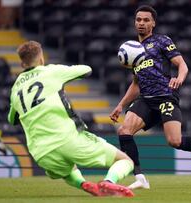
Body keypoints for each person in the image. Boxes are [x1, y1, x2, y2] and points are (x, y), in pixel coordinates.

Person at [109, 5, 191, 190]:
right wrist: (120, 105)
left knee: (174, 141)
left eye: (146, 20)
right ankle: (140, 177)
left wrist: (179, 79)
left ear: (153, 23)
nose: (141, 23)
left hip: (166, 98)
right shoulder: (134, 50)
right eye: (138, 20)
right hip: (146, 100)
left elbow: (182, 64)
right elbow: (136, 83)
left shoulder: (161, 41)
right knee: (124, 131)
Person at [7, 41, 134, 197]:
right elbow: (86, 70)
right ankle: (109, 182)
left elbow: (12, 119)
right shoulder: (51, 71)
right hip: (68, 140)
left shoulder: (15, 89)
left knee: (67, 170)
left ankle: (84, 184)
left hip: (41, 152)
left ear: (21, 63)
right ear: (41, 59)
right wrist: (61, 74)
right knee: (125, 160)